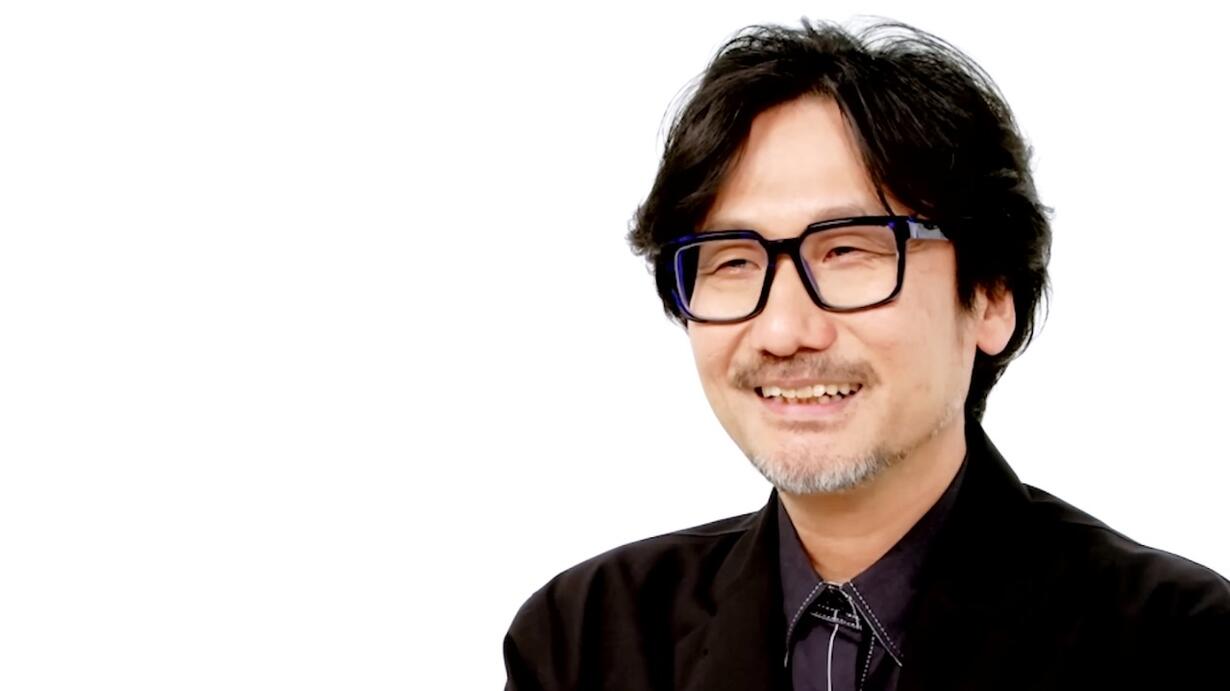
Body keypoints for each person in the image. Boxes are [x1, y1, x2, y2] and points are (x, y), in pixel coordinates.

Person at [502, 19, 1230, 691]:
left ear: (990, 296)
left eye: (848, 250)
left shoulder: (1176, 644)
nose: (783, 330)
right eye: (732, 260)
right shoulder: (586, 639)